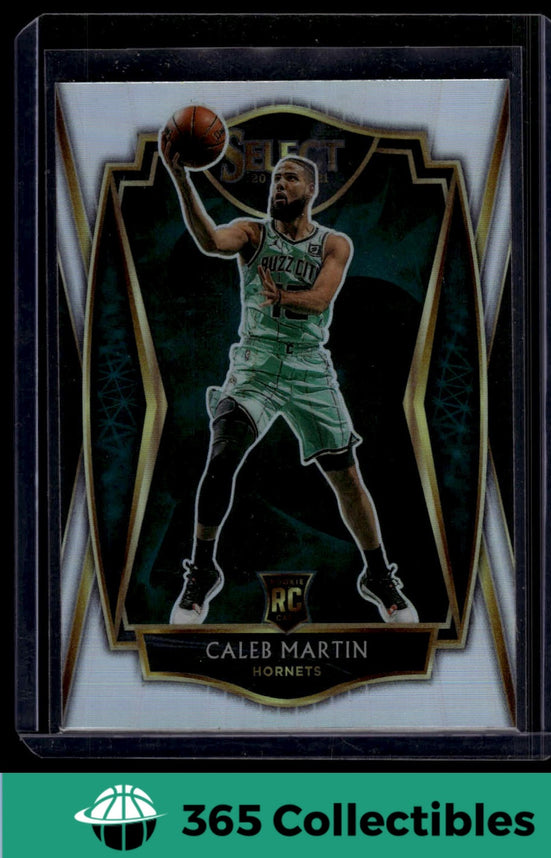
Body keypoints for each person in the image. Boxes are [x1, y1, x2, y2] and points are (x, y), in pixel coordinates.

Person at [160, 136, 418, 626]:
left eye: (290, 178)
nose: (279, 185)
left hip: (308, 367)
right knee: (221, 456)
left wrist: (283, 298)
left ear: (311, 189)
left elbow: (320, 299)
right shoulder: (252, 234)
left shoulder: (334, 243)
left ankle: (378, 575)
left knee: (347, 479)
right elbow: (211, 241)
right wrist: (180, 177)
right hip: (255, 363)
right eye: (275, 178)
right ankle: (202, 571)